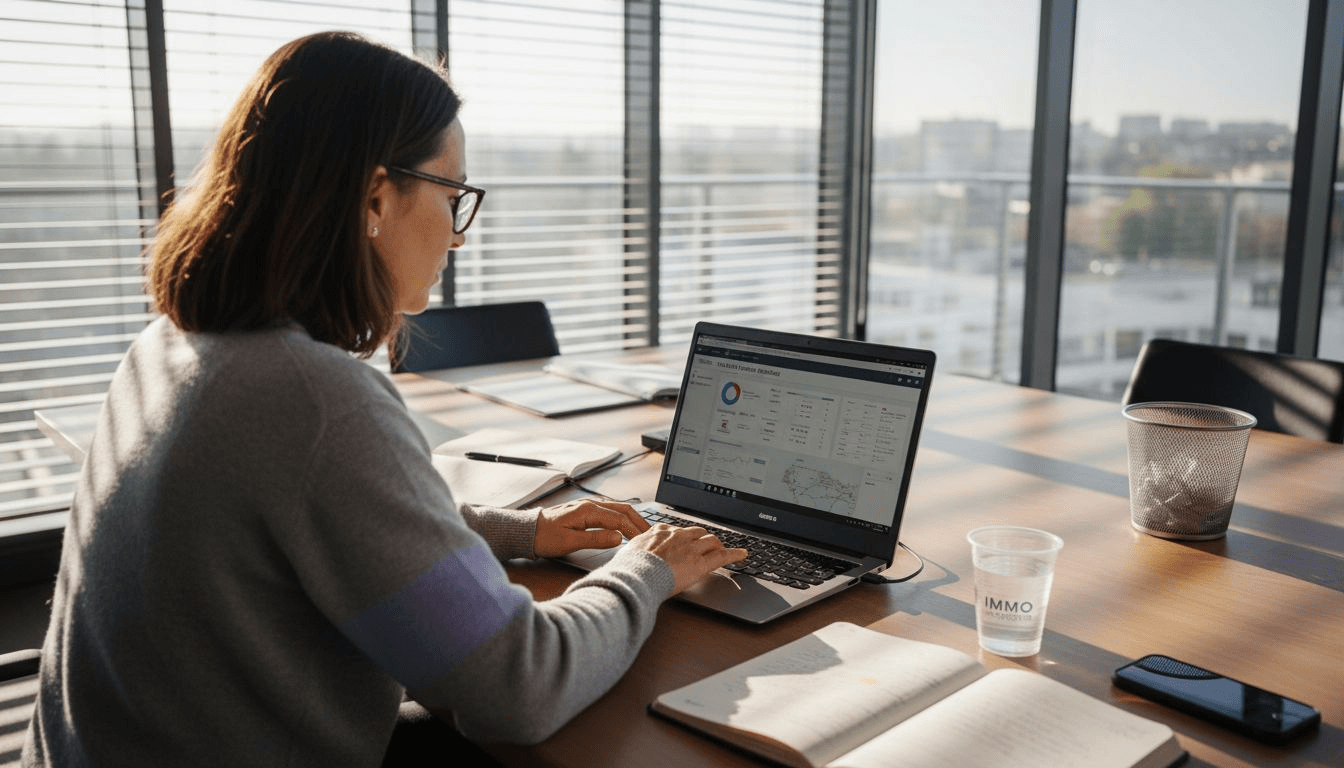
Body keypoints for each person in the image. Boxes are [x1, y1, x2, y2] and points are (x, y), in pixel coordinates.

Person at [23, 31, 745, 767]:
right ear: (374, 196)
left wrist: (526, 532)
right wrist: (648, 569)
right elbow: (521, 686)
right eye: (452, 195)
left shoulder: (170, 343)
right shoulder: (316, 400)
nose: (457, 237)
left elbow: (325, 519)